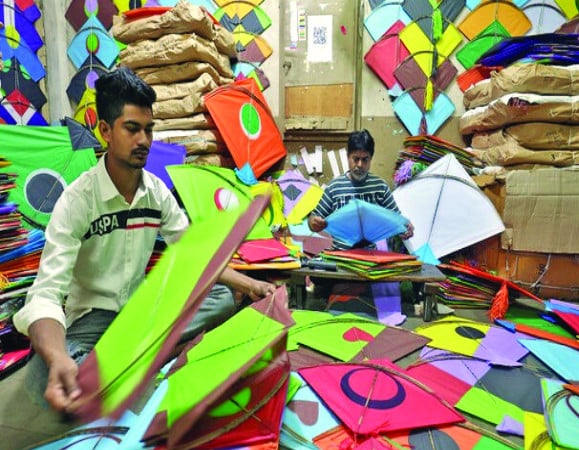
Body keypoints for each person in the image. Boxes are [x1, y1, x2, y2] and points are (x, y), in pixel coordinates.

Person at [13, 67, 275, 415]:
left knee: (222, 297)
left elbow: (192, 252)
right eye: (132, 129)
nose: (144, 141)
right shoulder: (78, 201)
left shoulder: (156, 193)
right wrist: (58, 357)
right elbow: (45, 293)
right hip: (94, 321)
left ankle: (128, 363)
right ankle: (130, 361)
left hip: (142, 312)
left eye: (149, 130)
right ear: (105, 130)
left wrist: (252, 284)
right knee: (46, 373)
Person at [307, 129, 414, 250]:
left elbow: (396, 219)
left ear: (371, 159)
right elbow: (313, 219)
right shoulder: (334, 187)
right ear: (348, 157)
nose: (360, 165)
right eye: (355, 159)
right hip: (341, 257)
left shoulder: (380, 187)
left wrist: (404, 228)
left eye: (365, 159)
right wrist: (313, 222)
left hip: (369, 258)